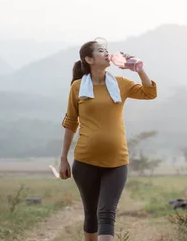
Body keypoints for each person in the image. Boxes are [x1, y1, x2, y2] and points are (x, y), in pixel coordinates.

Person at [58, 39, 157, 241]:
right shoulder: (78, 87)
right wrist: (63, 158)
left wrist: (138, 69)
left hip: (117, 162)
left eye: (107, 51)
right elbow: (70, 123)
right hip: (84, 162)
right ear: (89, 59)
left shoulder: (120, 84)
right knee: (91, 215)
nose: (106, 54)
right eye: (101, 51)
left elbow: (149, 93)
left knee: (106, 214)